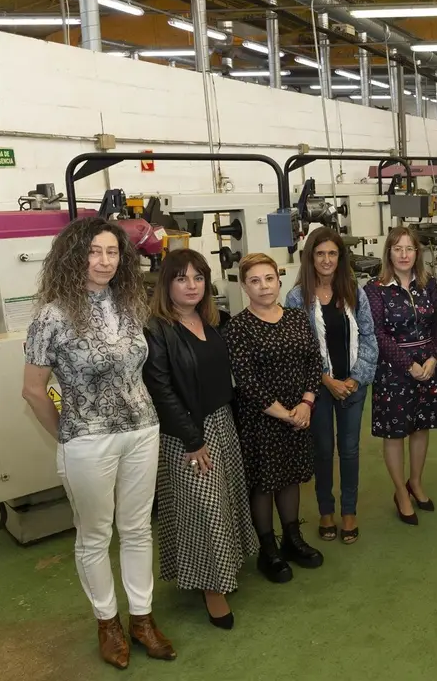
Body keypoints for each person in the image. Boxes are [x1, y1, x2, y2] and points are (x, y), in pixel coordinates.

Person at [21, 217, 174, 669]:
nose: (104, 261)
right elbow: (33, 391)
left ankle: (142, 619)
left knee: (137, 529)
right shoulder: (52, 316)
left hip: (142, 430)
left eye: (112, 252)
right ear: (74, 257)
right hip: (88, 440)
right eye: (93, 252)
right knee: (94, 535)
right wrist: (69, 436)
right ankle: (108, 624)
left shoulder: (130, 304)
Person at [143, 249, 258, 630]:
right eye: (181, 278)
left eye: (198, 278)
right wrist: (193, 440)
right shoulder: (157, 330)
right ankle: (213, 588)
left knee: (224, 502)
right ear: (167, 284)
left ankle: (220, 569)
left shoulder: (213, 321)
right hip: (187, 433)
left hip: (222, 422)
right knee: (204, 507)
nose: (191, 286)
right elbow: (161, 390)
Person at [226, 253, 325, 583]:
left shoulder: (296, 318)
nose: (264, 286)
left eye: (269, 278)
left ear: (279, 280)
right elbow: (247, 381)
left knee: (290, 476)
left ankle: (293, 540)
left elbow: (313, 361)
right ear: (244, 287)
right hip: (261, 420)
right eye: (254, 281)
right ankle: (268, 551)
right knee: (264, 483)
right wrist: (286, 414)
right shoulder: (238, 327)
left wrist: (306, 403)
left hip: (299, 413)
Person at [284, 227, 378, 545]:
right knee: (323, 450)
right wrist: (326, 380)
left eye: (332, 254)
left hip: (353, 386)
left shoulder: (354, 292)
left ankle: (349, 511)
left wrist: (355, 378)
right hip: (318, 388)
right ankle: (326, 510)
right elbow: (299, 348)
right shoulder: (297, 297)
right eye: (320, 253)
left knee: (349, 450)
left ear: (340, 258)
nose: (326, 260)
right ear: (311, 257)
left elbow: (369, 336)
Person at [364, 227, 437, 525]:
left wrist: (434, 357)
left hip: (428, 367)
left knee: (421, 427)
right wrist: (408, 364)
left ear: (417, 253)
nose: (403, 255)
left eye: (409, 249)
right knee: (395, 432)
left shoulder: (428, 285)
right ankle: (401, 492)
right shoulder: (375, 289)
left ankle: (415, 482)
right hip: (393, 371)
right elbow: (377, 333)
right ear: (388, 253)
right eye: (397, 249)